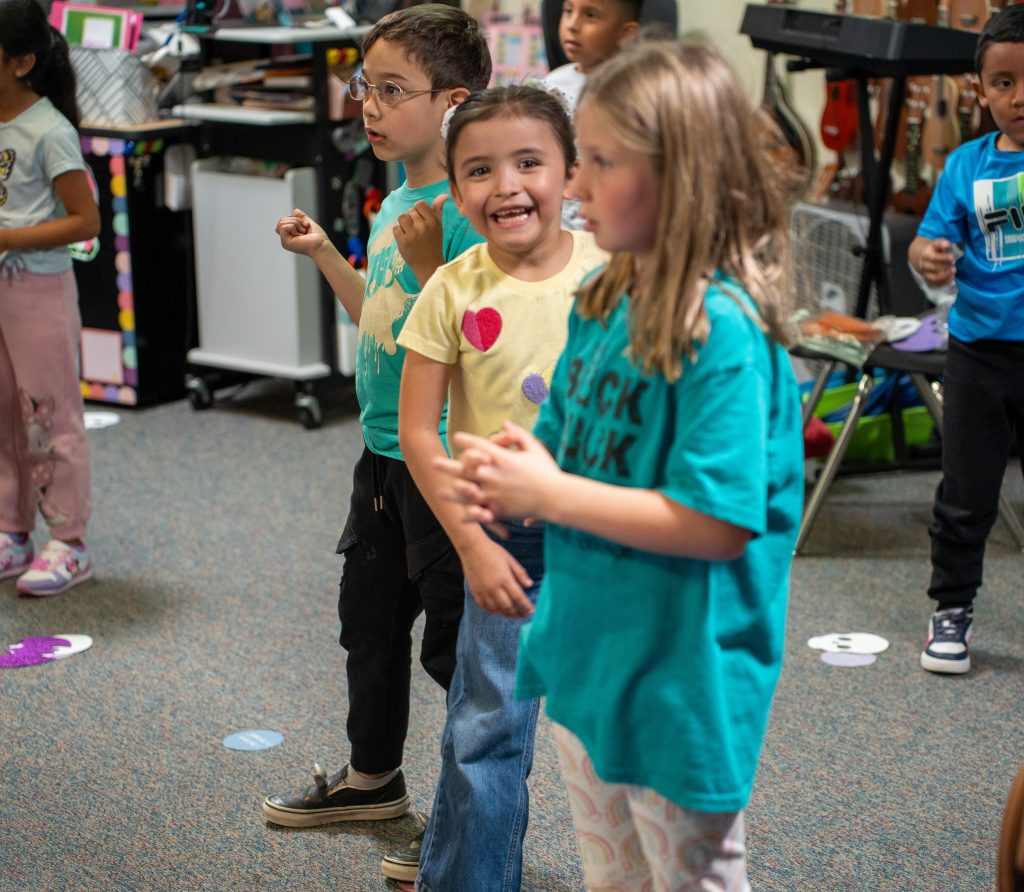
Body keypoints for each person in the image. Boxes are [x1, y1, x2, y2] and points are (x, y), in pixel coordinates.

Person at [440, 41, 804, 890]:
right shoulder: (607, 300)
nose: (577, 185)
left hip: (681, 679)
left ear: (681, 176)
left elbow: (715, 525)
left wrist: (550, 489)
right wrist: (516, 470)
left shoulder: (723, 335)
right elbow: (570, 455)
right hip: (589, 653)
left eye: (601, 163)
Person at [260, 2, 491, 867]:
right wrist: (327, 254)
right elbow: (385, 324)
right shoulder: (398, 195)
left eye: (394, 90)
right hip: (383, 455)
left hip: (442, 462)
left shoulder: (469, 209)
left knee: (451, 650)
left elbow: (483, 343)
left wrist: (435, 261)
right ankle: (373, 779)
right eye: (368, 86)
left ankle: (472, 813)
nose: (370, 106)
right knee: (368, 624)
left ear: (454, 102)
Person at [396, 85, 606, 890]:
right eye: (479, 170)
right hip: (504, 541)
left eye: (529, 163)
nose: (506, 185)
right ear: (453, 191)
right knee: (485, 737)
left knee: (621, 746)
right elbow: (421, 431)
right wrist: (474, 546)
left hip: (608, 542)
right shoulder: (452, 287)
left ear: (572, 173)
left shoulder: (615, 277)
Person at [909, 4, 1024, 676]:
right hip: (979, 353)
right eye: (1003, 83)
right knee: (965, 494)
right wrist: (926, 255)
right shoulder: (966, 166)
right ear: (979, 91)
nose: (1019, 98)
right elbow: (930, 238)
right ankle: (951, 608)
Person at [0, 0, 100, 597]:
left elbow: (85, 220)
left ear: (21, 62)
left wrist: (9, 238)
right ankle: (12, 530)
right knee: (4, 413)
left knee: (48, 413)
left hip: (37, 286)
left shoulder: (48, 130)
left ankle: (70, 542)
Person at [542, 0, 640, 231]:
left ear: (626, 33)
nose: (573, 25)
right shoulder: (551, 83)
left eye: (591, 15)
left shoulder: (634, 91)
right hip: (553, 220)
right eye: (568, 11)